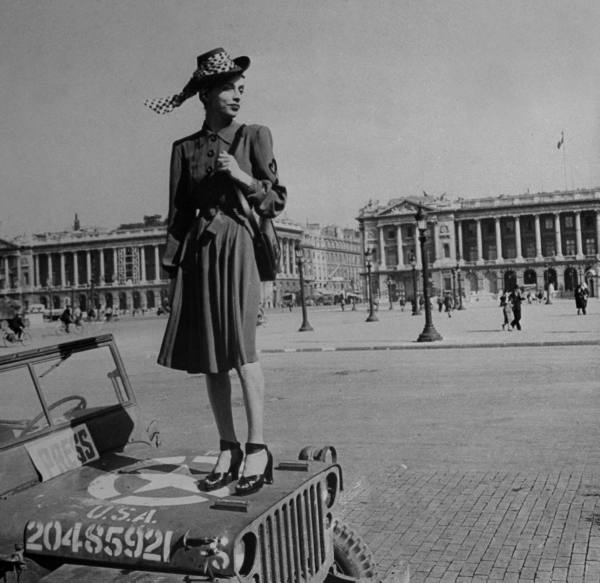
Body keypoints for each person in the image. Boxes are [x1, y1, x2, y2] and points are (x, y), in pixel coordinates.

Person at [149, 48, 287, 496]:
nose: (237, 95)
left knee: (242, 349)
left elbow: (277, 199)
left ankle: (258, 447)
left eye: (241, 88)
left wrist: (244, 178)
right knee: (211, 357)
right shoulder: (183, 149)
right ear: (205, 93)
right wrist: (172, 275)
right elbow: (177, 216)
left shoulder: (254, 135)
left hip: (238, 245)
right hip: (198, 252)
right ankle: (227, 448)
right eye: (228, 87)